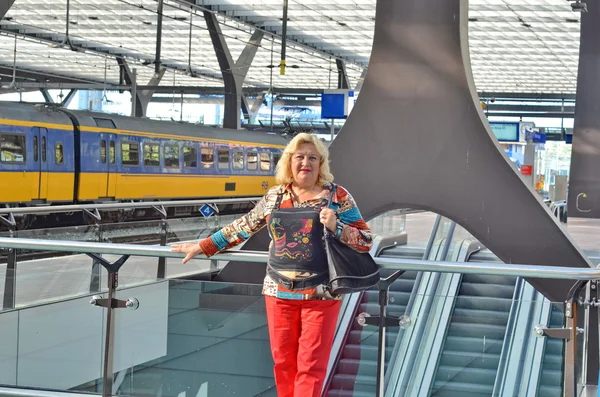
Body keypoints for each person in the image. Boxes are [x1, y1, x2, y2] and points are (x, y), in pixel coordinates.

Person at [172, 133, 373, 397]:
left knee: (311, 367)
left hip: (321, 293)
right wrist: (205, 245)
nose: (305, 163)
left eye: (313, 157)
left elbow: (366, 240)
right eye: (299, 157)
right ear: (289, 162)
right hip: (278, 292)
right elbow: (242, 227)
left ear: (321, 163)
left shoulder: (338, 196)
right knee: (283, 363)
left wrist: (337, 225)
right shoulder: (275, 196)